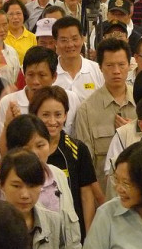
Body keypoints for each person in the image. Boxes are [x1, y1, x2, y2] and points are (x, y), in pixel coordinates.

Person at [0, 148, 78, 249]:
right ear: (2, 185)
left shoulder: (53, 221)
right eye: (16, 186)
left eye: (32, 186)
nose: (25, 195)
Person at [31, 86, 98, 238]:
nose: (52, 121)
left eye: (58, 114)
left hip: (71, 232)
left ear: (66, 115)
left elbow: (87, 196)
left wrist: (88, 237)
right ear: (34, 115)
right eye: (45, 115)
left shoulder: (78, 149)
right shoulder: (26, 150)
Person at [74, 38, 137, 188]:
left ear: (129, 66)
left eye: (121, 65)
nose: (116, 71)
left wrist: (134, 132)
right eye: (109, 65)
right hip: (104, 196)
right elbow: (85, 166)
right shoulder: (86, 110)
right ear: (100, 67)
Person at [52, 16, 104, 103]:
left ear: (82, 39)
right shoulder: (50, 71)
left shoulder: (98, 70)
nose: (70, 44)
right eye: (64, 40)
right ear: (55, 43)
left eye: (74, 39)